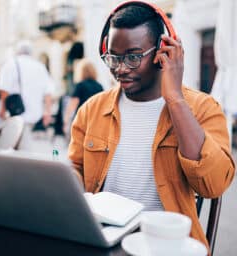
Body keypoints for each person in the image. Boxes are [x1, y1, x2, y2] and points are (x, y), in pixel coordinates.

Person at [68, 1, 235, 251]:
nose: (121, 68)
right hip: (104, 240)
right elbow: (75, 170)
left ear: (163, 52)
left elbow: (213, 184)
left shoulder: (203, 108)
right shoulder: (92, 110)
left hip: (167, 245)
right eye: (113, 57)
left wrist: (175, 99)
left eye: (134, 57)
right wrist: (65, 182)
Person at [0, 40, 55, 151]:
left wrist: (2, 109)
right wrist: (47, 112)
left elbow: (4, 90)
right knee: (28, 146)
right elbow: (48, 92)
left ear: (18, 52)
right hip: (35, 116)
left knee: (14, 148)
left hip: (16, 114)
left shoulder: (10, 64)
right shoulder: (40, 66)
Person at [63, 58, 103, 135]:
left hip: (82, 120)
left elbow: (72, 104)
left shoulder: (80, 86)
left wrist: (66, 120)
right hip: (96, 121)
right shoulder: (99, 86)